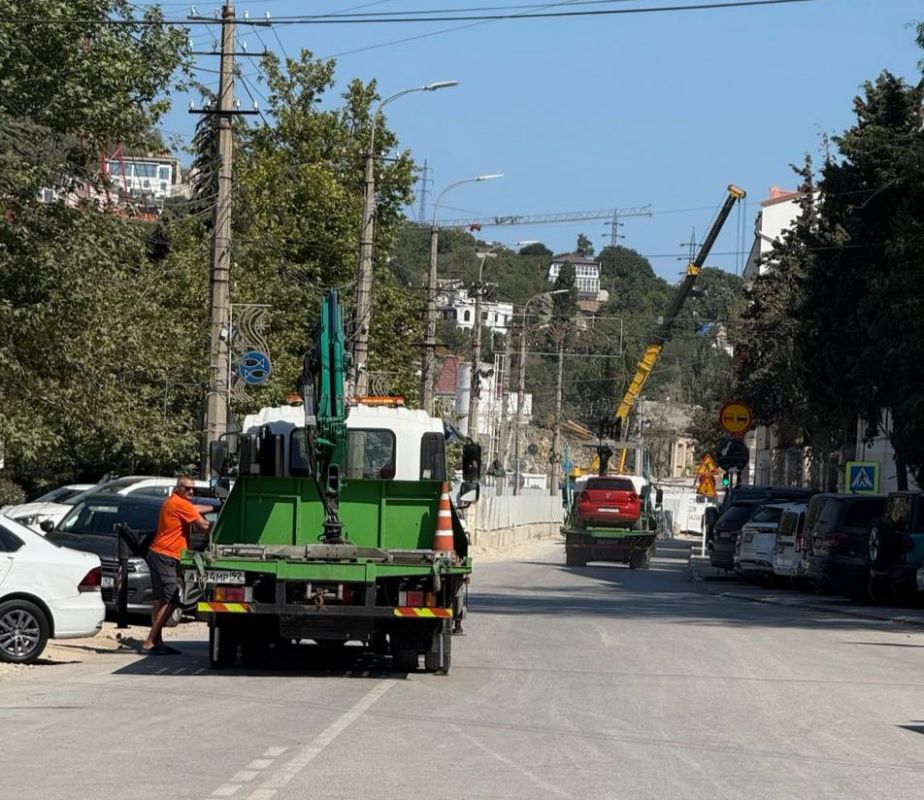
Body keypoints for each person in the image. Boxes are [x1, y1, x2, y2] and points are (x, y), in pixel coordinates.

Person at [141, 477, 212, 655]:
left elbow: (195, 509)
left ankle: (158, 643)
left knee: (160, 600)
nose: (191, 492)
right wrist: (217, 524)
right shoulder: (182, 504)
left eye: (193, 489)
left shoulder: (173, 501)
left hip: (157, 554)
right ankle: (150, 641)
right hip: (166, 556)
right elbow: (203, 525)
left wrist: (213, 507)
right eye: (187, 488)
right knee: (172, 599)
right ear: (178, 488)